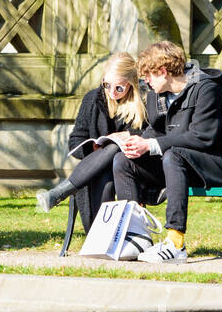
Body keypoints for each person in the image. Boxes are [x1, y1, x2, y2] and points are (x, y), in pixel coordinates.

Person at [112, 40, 222, 264]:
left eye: (149, 76)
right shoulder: (157, 93)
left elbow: (202, 137)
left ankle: (176, 243)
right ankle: (138, 238)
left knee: (174, 155)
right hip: (178, 163)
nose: (146, 82)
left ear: (163, 71)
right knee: (123, 161)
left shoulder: (206, 89)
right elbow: (156, 128)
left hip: (219, 163)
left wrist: (151, 145)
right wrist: (138, 142)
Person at [36, 52, 147, 228]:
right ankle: (101, 237)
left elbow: (152, 134)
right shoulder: (93, 99)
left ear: (131, 85)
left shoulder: (143, 100)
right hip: (97, 168)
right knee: (104, 171)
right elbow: (75, 140)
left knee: (113, 149)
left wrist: (126, 136)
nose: (111, 92)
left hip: (134, 165)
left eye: (119, 88)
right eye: (107, 85)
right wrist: (93, 148)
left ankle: (61, 192)